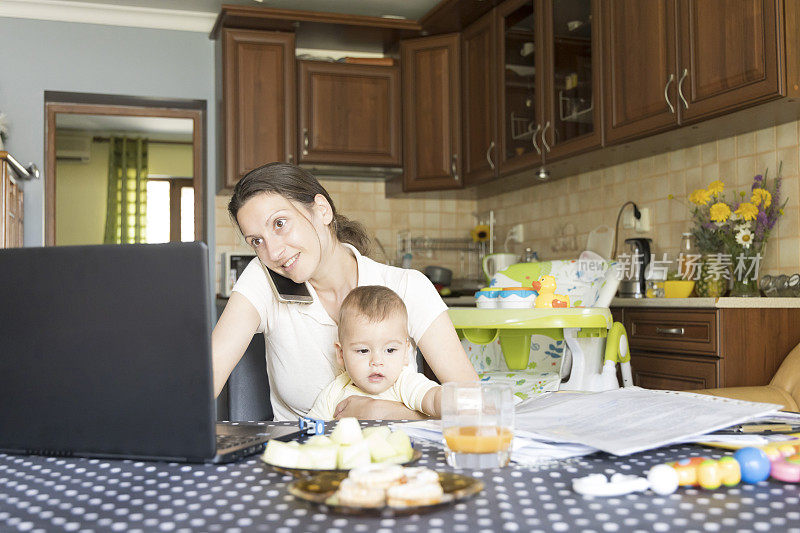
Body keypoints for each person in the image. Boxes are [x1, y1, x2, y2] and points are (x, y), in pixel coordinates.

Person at [213, 162, 478, 420]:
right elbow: (206, 379)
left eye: (280, 224)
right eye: (256, 241)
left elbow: (473, 403)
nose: (273, 252)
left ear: (322, 210)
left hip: (397, 458)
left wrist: (381, 413)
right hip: (302, 456)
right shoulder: (263, 279)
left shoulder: (408, 287)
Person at [307, 286, 441, 420]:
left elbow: (434, 400)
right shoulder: (335, 391)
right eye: (363, 350)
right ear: (341, 354)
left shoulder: (405, 383)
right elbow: (309, 430)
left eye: (390, 350)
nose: (377, 361)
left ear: (406, 352)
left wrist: (454, 401)